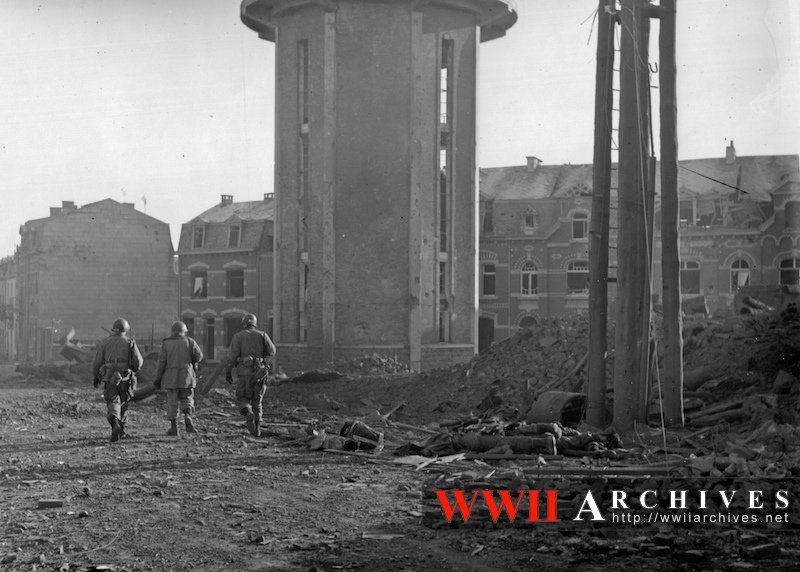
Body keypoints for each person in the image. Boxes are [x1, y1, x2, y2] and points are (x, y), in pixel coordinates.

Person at [92, 318, 144, 442]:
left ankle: (114, 424)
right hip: (125, 377)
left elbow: (97, 362)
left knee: (113, 401)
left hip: (109, 377)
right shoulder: (130, 343)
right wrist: (134, 369)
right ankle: (121, 428)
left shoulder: (105, 343)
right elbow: (138, 362)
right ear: (125, 330)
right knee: (124, 402)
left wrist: (96, 376)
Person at [225, 313, 276, 437]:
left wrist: (228, 370)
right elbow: (272, 351)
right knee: (257, 400)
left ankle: (248, 413)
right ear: (255, 323)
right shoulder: (263, 335)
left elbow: (232, 356)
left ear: (244, 324)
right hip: (259, 373)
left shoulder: (238, 336)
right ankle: (257, 429)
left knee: (243, 397)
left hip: (244, 373)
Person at [153, 321, 203, 437]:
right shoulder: (190, 341)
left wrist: (157, 379)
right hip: (187, 375)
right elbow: (199, 357)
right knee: (187, 399)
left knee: (172, 402)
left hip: (171, 377)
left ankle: (174, 428)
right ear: (184, 331)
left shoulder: (166, 344)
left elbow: (161, 363)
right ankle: (188, 416)